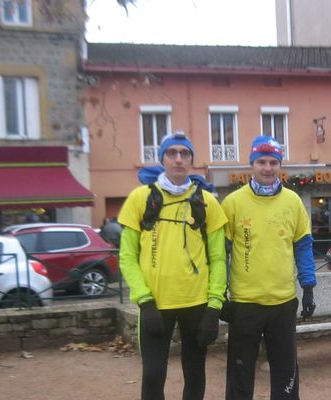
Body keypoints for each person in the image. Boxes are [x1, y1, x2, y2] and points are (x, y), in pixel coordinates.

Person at [118, 132, 228, 400]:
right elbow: (127, 256)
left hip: (197, 304)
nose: (178, 159)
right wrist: (144, 300)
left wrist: (214, 307)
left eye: (184, 154)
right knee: (154, 375)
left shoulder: (207, 201)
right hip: (155, 305)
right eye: (172, 153)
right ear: (163, 159)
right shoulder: (140, 198)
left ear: (191, 160)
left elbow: (218, 258)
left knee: (194, 371)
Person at [221, 135, 317, 400]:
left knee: (286, 374)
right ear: (251, 164)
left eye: (273, 162)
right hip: (244, 304)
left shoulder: (293, 201)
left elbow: (304, 246)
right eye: (261, 161)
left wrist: (308, 287)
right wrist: (219, 295)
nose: (267, 168)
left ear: (280, 165)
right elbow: (221, 254)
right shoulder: (233, 203)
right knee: (240, 377)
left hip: (282, 302)